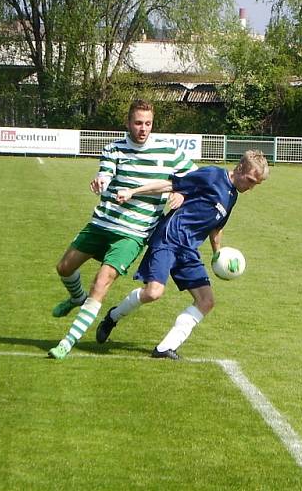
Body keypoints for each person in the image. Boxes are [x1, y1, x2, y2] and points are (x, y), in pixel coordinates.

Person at [47, 99, 195, 360]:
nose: (143, 128)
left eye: (148, 123)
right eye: (138, 123)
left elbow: (196, 180)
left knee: (101, 282)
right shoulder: (113, 149)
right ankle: (76, 298)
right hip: (102, 223)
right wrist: (100, 181)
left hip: (132, 233)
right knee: (64, 268)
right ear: (128, 123)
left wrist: (182, 193)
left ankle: (66, 342)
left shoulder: (168, 152)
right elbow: (105, 174)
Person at [95, 149, 269, 360]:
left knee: (206, 301)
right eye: (250, 181)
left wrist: (218, 255)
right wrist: (133, 192)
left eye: (255, 185)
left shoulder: (232, 196)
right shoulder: (213, 176)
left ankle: (165, 348)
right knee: (153, 293)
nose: (250, 187)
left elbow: (216, 228)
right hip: (169, 238)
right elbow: (170, 184)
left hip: (188, 250)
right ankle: (113, 317)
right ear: (240, 168)